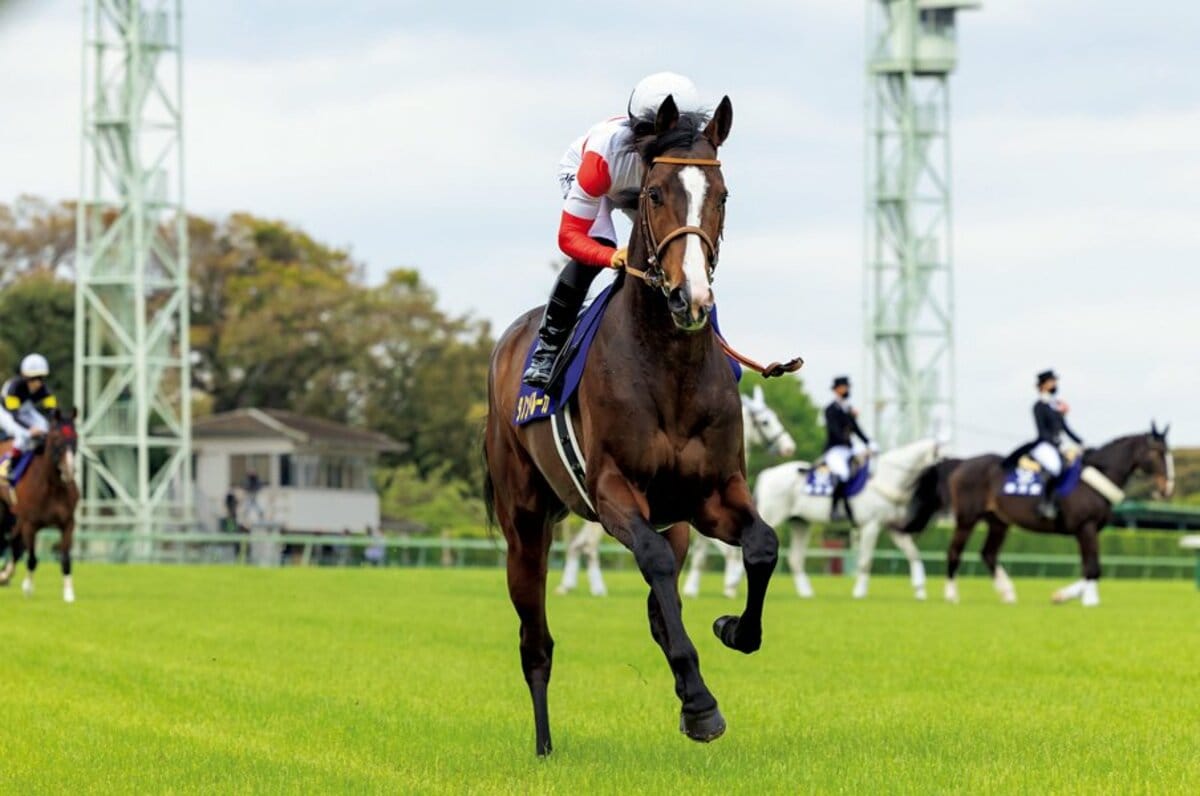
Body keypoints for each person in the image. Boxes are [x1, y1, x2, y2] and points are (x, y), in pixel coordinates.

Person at [522, 72, 710, 389]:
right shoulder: (601, 159)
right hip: (601, 181)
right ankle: (548, 350)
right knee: (596, 246)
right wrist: (610, 256)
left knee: (678, 251)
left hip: (647, 188)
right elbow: (569, 237)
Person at [1030, 369, 1083, 519]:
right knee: (1055, 467)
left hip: (1058, 444)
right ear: (1044, 385)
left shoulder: (1055, 406)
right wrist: (1054, 443)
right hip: (1044, 445)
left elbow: (1066, 428)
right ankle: (1045, 503)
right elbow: (1041, 430)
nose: (1055, 384)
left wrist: (1080, 442)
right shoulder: (1039, 406)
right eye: (1052, 382)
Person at [0, 353, 57, 490]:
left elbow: (52, 411)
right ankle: (8, 466)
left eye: (40, 378)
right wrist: (30, 429)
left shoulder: (44, 390)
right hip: (6, 412)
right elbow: (15, 415)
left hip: (25, 409)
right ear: (25, 377)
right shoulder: (13, 387)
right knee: (23, 435)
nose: (36, 383)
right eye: (32, 379)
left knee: (45, 427)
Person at [823, 376, 876, 523]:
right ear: (837, 389)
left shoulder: (848, 409)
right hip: (835, 450)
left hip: (848, 449)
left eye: (847, 387)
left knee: (864, 469)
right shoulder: (830, 409)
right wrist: (852, 445)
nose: (847, 389)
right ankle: (834, 508)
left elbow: (857, 429)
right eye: (844, 387)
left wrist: (869, 443)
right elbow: (833, 431)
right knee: (844, 474)